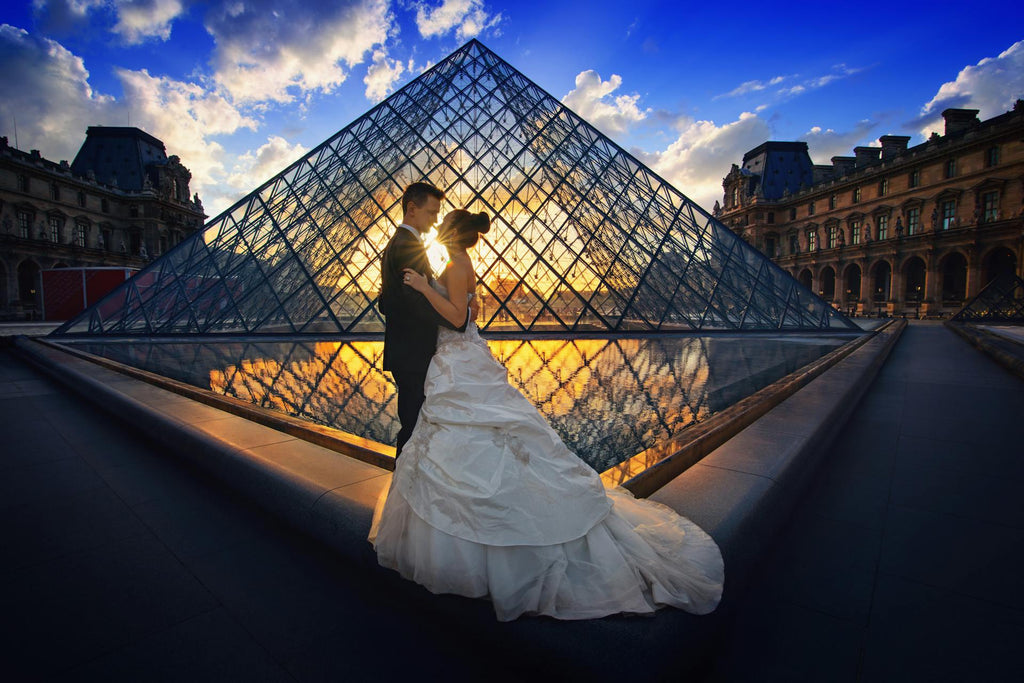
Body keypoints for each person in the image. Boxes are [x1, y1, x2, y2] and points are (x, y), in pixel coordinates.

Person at [369, 209, 724, 621]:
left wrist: (421, 287)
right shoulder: (462, 263)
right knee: (481, 442)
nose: (434, 229)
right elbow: (473, 309)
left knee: (461, 445)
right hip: (462, 362)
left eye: (439, 225)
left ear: (449, 233)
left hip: (457, 364)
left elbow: (458, 316)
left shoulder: (453, 263)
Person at [378, 182, 475, 455]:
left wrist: (461, 303)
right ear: (412, 209)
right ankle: (404, 487)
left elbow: (389, 301)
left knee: (414, 423)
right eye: (432, 213)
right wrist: (461, 316)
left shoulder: (399, 243)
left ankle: (407, 485)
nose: (435, 222)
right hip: (414, 353)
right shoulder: (409, 245)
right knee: (413, 426)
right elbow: (416, 303)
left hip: (407, 352)